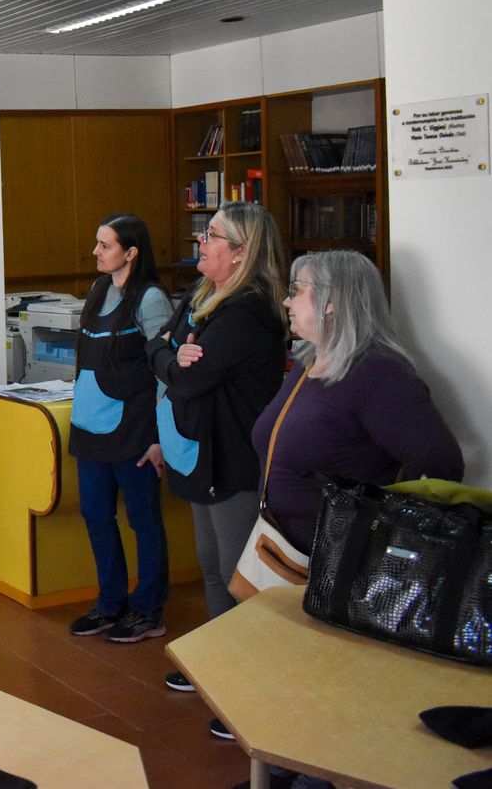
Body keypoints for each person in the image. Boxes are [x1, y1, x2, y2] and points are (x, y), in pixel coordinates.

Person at [145, 201, 287, 734]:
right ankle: (215, 669)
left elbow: (185, 379)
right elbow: (156, 348)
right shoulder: (203, 295)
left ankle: (245, 692)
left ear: (241, 252)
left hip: (235, 461)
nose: (202, 241)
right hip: (201, 454)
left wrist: (169, 359)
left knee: (236, 576)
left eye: (213, 235)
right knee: (210, 565)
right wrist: (169, 353)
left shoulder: (247, 312)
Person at [253, 250, 463, 551]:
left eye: (296, 291)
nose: (287, 301)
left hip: (341, 562)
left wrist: (391, 538)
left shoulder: (378, 373)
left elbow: (440, 463)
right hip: (284, 548)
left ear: (331, 302)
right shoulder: (306, 361)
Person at [67, 215, 173, 644]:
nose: (96, 252)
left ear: (131, 252)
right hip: (91, 427)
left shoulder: (150, 299)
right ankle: (110, 603)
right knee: (96, 515)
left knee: (144, 521)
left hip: (134, 430)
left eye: (105, 245)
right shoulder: (97, 290)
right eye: (97, 243)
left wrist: (160, 436)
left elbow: (165, 372)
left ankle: (147, 610)